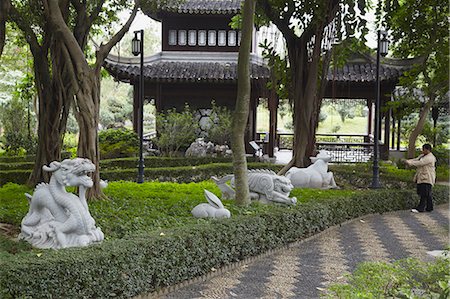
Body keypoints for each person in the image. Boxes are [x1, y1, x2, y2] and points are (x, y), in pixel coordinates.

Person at [405, 143, 436, 213]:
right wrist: (409, 161)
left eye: (423, 149)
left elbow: (420, 163)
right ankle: (429, 207)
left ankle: (421, 208)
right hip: (422, 177)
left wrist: (409, 163)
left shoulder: (430, 158)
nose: (422, 151)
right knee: (426, 194)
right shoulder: (423, 156)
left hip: (427, 177)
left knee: (424, 194)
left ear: (427, 150)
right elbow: (416, 159)